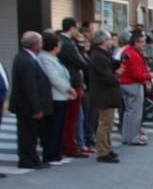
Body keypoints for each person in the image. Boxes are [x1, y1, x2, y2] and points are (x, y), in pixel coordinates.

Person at [10, 31, 52, 169]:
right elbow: (30, 87)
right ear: (34, 44)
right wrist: (37, 108)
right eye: (40, 42)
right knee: (27, 134)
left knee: (31, 134)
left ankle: (32, 158)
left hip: (27, 105)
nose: (41, 44)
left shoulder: (28, 57)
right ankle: (27, 160)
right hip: (27, 107)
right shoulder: (26, 60)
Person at [38, 31, 76, 166]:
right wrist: (68, 88)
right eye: (58, 44)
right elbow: (54, 78)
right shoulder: (45, 59)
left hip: (61, 96)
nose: (60, 46)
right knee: (53, 127)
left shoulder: (53, 58)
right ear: (54, 46)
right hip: (55, 97)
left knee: (59, 126)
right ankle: (51, 154)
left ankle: (57, 153)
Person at [57, 17, 90, 158]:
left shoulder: (61, 40)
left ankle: (68, 145)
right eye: (76, 28)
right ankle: (70, 147)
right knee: (73, 117)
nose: (77, 31)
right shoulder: (69, 44)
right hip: (72, 83)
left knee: (70, 117)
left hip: (68, 82)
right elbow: (81, 62)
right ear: (72, 27)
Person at [88, 30, 123, 164]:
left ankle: (108, 148)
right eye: (109, 40)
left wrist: (118, 64)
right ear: (103, 41)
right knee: (104, 123)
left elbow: (111, 66)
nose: (111, 42)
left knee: (108, 123)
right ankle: (102, 151)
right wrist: (117, 74)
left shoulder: (104, 55)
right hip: (103, 93)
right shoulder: (98, 56)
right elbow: (106, 76)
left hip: (108, 93)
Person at [118, 32, 153, 146]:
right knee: (135, 112)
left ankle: (126, 136)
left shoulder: (126, 51)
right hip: (133, 84)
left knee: (128, 112)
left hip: (124, 83)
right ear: (136, 42)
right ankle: (133, 137)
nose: (144, 44)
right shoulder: (134, 55)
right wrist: (148, 76)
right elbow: (137, 74)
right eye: (142, 42)